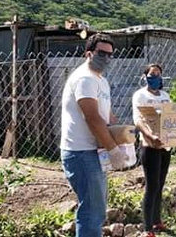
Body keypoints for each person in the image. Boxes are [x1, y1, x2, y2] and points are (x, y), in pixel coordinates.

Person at [60, 33, 124, 237]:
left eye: (110, 54)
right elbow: (92, 118)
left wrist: (123, 133)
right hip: (81, 152)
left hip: (94, 151)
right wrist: (114, 149)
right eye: (101, 53)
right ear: (88, 53)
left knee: (96, 207)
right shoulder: (84, 78)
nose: (106, 58)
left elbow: (106, 115)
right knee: (92, 211)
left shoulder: (100, 80)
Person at [132, 63, 172, 237]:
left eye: (158, 74)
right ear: (145, 76)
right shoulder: (140, 95)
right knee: (152, 185)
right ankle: (147, 227)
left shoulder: (165, 96)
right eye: (152, 74)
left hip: (165, 146)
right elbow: (138, 120)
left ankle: (157, 221)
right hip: (149, 146)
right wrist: (149, 137)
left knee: (160, 184)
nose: (155, 77)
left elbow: (174, 117)